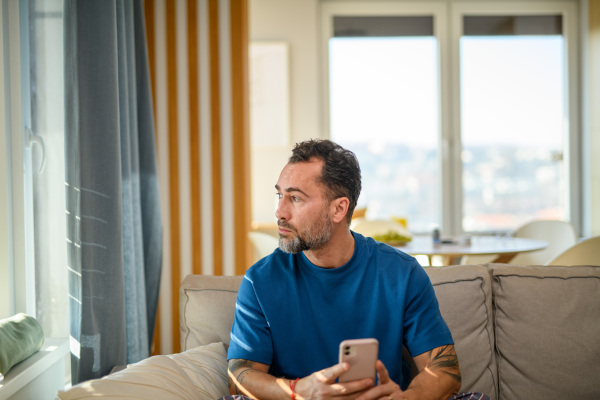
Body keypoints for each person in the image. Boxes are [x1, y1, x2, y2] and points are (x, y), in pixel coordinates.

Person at [225, 139, 488, 400]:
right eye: (280, 195)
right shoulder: (260, 280)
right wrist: (298, 391)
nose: (280, 212)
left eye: (295, 198)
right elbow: (240, 377)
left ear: (339, 208)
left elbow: (445, 371)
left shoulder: (402, 273)